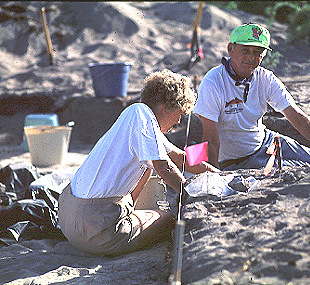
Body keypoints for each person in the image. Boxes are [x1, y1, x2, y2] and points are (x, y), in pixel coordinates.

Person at [58, 69, 219, 256]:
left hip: (68, 217)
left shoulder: (136, 117)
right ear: (165, 107)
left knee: (146, 167)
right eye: (179, 114)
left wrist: (216, 173)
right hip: (94, 228)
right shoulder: (141, 115)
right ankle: (125, 222)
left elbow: (180, 157)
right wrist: (191, 195)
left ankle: (128, 215)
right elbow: (164, 166)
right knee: (167, 219)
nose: (178, 121)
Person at [193, 23, 310, 171]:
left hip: (268, 141)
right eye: (245, 50)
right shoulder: (213, 82)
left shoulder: (265, 77)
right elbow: (210, 140)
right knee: (300, 170)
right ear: (230, 49)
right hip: (237, 161)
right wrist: (215, 177)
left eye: (257, 53)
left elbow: (296, 116)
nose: (251, 58)